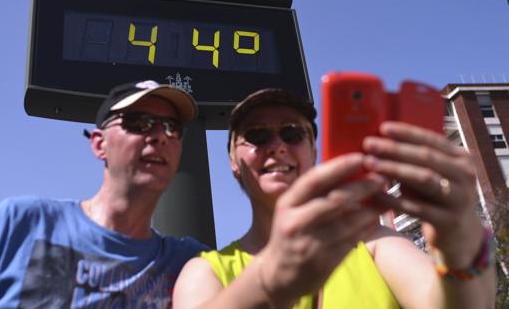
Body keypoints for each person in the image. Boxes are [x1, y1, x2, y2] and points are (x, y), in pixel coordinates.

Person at [173, 88, 495, 308]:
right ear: (234, 162)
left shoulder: (374, 245)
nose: (277, 145)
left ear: (313, 152)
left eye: (293, 133)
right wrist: (270, 280)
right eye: (256, 136)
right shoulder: (205, 271)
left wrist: (462, 247)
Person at [0, 80, 208, 308]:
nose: (160, 136)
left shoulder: (190, 263)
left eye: (172, 127)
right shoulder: (22, 223)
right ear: (99, 144)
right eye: (140, 123)